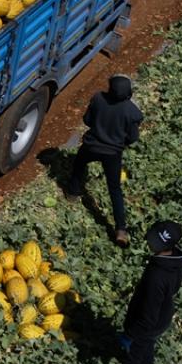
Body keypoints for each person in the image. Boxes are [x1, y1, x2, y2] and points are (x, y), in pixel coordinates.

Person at [111, 221, 182, 364]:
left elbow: (148, 317)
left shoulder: (157, 276)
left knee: (132, 361)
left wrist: (131, 335)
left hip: (148, 323)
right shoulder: (175, 259)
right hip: (162, 316)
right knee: (147, 348)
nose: (149, 242)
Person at [65, 74, 143, 245]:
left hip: (91, 146)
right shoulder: (131, 111)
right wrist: (120, 141)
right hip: (112, 154)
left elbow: (87, 120)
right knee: (114, 188)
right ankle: (120, 229)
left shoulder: (99, 99)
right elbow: (132, 138)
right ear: (129, 92)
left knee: (79, 165)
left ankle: (72, 193)